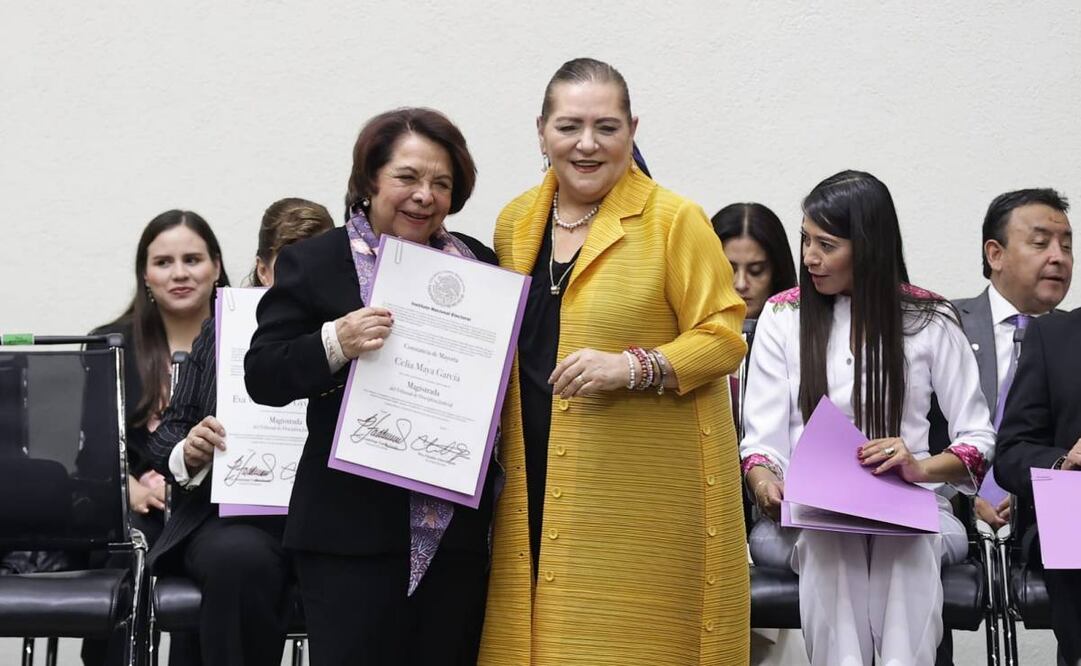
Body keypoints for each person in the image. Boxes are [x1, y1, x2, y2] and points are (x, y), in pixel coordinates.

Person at [479, 57, 750, 665]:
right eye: (569, 125)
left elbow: (726, 336)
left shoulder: (674, 219)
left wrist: (632, 366)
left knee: (630, 639)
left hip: (639, 484)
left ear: (632, 129)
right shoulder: (515, 222)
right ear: (541, 130)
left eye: (606, 126)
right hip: (532, 470)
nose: (587, 144)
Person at [245, 108, 497, 666]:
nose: (424, 196)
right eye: (407, 177)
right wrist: (334, 341)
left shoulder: (480, 267)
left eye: (441, 183)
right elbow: (262, 375)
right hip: (347, 535)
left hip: (453, 538)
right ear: (370, 181)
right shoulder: (316, 262)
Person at [740, 170, 996, 666]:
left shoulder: (930, 318)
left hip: (917, 510)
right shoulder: (782, 317)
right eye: (806, 240)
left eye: (827, 245)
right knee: (832, 542)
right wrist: (765, 482)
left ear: (868, 246)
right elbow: (761, 445)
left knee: (908, 547)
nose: (809, 257)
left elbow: (978, 437)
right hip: (810, 520)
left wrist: (920, 469)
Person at [144, 198, 334, 665]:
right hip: (236, 520)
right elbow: (167, 434)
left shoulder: (358, 332)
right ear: (263, 271)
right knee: (239, 562)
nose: (304, 282)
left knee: (367, 564)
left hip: (331, 517)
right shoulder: (221, 331)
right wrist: (190, 451)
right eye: (290, 268)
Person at [927, 189, 1072, 665]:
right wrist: (967, 501)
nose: (1059, 257)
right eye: (1041, 242)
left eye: (1067, 245)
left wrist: (1049, 480)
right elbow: (917, 433)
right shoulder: (938, 325)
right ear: (995, 254)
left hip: (1049, 510)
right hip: (951, 508)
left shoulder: (1066, 340)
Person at [84, 209, 228, 666]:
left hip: (212, 511)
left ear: (217, 267)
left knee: (230, 562)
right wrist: (126, 486)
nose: (180, 273)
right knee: (123, 555)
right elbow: (91, 449)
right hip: (138, 512)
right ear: (145, 274)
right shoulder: (110, 344)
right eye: (164, 262)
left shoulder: (246, 338)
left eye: (193, 259)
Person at [994, 307, 1081, 665]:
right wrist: (1063, 464)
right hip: (1072, 502)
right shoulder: (1055, 336)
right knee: (1069, 516)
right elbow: (1012, 452)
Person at [712, 202, 798, 320]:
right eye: (729, 270)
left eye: (756, 271)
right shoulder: (684, 331)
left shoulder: (800, 330)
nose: (741, 284)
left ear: (777, 272)